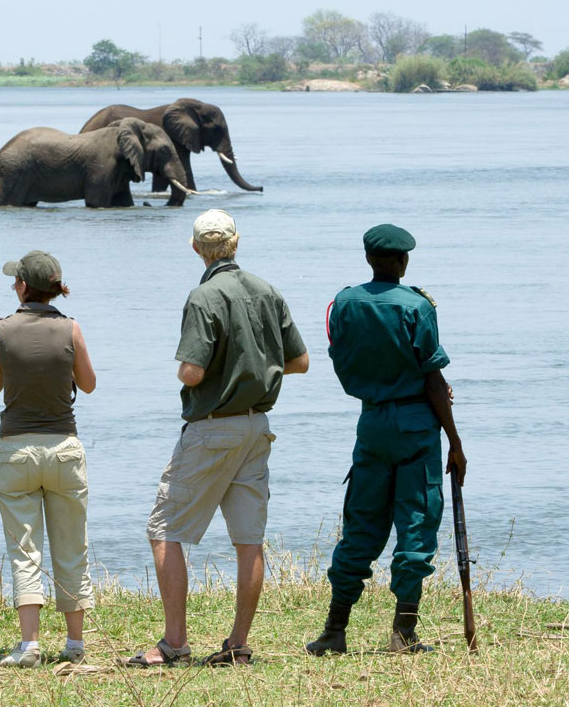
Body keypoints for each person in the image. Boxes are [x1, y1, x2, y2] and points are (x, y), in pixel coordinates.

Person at [127, 209, 310, 668]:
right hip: (257, 427)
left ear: (196, 248)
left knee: (164, 530)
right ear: (236, 242)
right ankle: (238, 645)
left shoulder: (203, 296)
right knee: (249, 540)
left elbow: (192, 372)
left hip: (213, 428)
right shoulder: (268, 290)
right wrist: (258, 368)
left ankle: (174, 643)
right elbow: (300, 362)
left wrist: (190, 373)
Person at [306, 224, 467, 656]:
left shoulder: (343, 303)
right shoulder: (417, 305)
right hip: (416, 425)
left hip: (371, 421)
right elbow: (432, 378)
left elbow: (344, 360)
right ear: (402, 261)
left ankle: (334, 630)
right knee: (416, 524)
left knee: (361, 525)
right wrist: (455, 442)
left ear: (368, 259)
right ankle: (403, 632)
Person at [0, 250, 98, 668]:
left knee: (24, 551)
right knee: (72, 548)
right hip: (64, 447)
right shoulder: (71, 328)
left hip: (16, 450)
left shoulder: (0, 329)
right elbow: (88, 384)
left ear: (23, 287)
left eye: (15, 280)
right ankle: (74, 644)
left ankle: (29, 645)